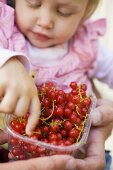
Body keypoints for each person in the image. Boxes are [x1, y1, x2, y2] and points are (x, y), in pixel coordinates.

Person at [0, 0, 113, 169]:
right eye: (33, 3)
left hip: (78, 158)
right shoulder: (5, 32)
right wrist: (5, 61)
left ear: (84, 14)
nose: (45, 22)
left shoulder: (86, 45)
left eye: (64, 12)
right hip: (14, 154)